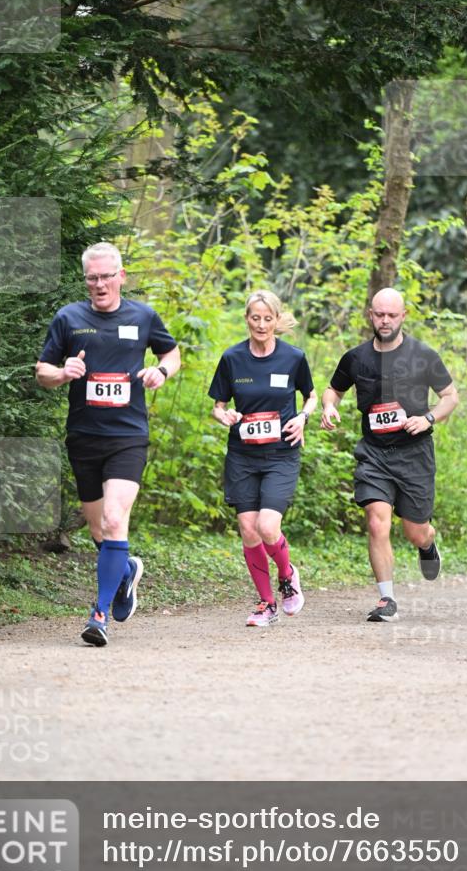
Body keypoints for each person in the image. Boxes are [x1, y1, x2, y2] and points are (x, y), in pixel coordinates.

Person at [36, 241, 180, 647]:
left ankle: (98, 616)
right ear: (86, 280)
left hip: (128, 436)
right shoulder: (69, 318)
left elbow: (171, 353)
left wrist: (161, 372)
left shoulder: (143, 315)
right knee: (100, 529)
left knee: (116, 518)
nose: (99, 285)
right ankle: (126, 569)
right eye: (91, 278)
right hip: (84, 436)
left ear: (121, 276)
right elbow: (42, 371)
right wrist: (63, 373)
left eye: (105, 276)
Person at [321, 287, 458, 622]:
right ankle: (387, 599)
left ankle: (427, 542)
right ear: (371, 314)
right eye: (379, 314)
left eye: (391, 315)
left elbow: (450, 397)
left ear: (403, 316)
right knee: (376, 522)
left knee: (415, 531)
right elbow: (334, 389)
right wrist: (329, 407)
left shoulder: (423, 355)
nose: (384, 320)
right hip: (374, 455)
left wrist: (427, 419)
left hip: (414, 455)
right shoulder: (356, 357)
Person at [209, 290, 317, 627]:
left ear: (276, 320)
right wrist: (222, 416)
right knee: (248, 529)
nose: (261, 324)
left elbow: (311, 396)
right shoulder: (232, 358)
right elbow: (218, 405)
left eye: (267, 318)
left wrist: (303, 417)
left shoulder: (293, 357)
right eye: (255, 318)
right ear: (247, 319)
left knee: (268, 526)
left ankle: (287, 576)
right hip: (243, 454)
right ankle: (266, 603)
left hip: (280, 453)